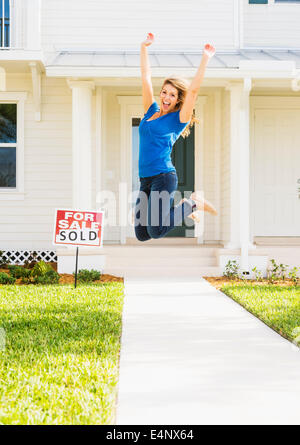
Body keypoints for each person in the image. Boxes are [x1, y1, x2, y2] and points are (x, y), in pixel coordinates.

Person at [134, 32, 217, 242]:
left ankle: (192, 203)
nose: (166, 97)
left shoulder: (179, 119)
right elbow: (145, 78)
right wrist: (144, 48)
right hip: (145, 179)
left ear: (178, 99)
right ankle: (186, 208)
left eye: (172, 94)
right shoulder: (150, 110)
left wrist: (205, 59)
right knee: (142, 234)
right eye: (164, 92)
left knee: (156, 231)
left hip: (163, 177)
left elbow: (194, 91)